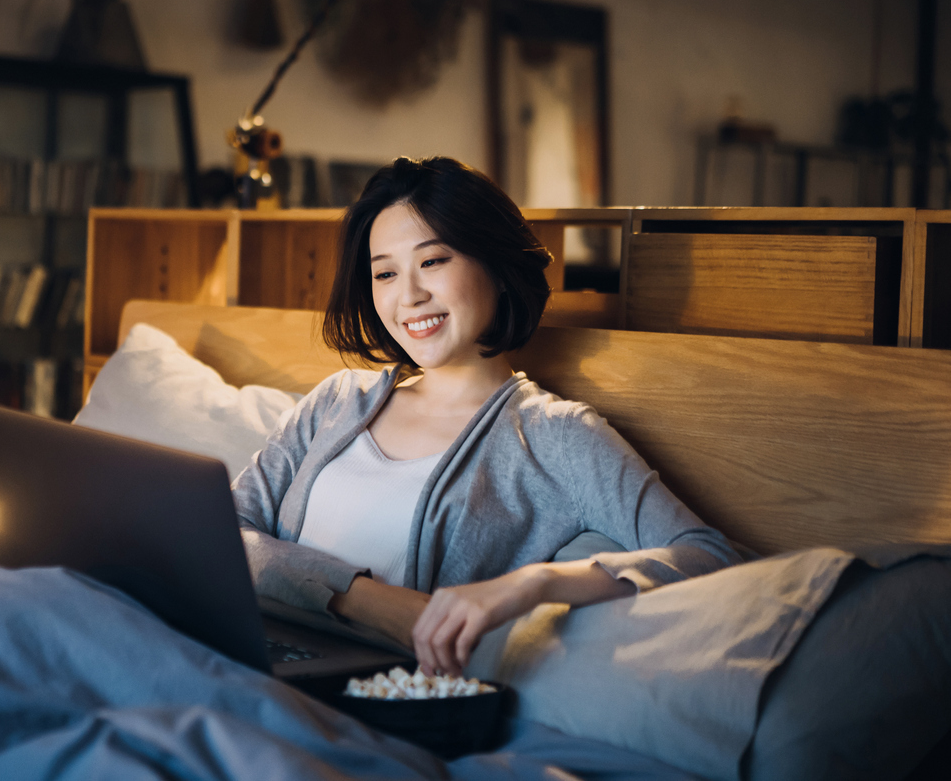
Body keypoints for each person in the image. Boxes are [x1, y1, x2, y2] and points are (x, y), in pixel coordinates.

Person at [232, 156, 741, 677]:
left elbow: (708, 557)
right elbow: (228, 531)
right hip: (241, 640)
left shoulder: (553, 435)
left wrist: (535, 584)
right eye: (385, 272)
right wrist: (361, 599)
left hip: (365, 695)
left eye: (432, 262)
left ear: (496, 267)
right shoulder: (337, 401)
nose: (408, 295)